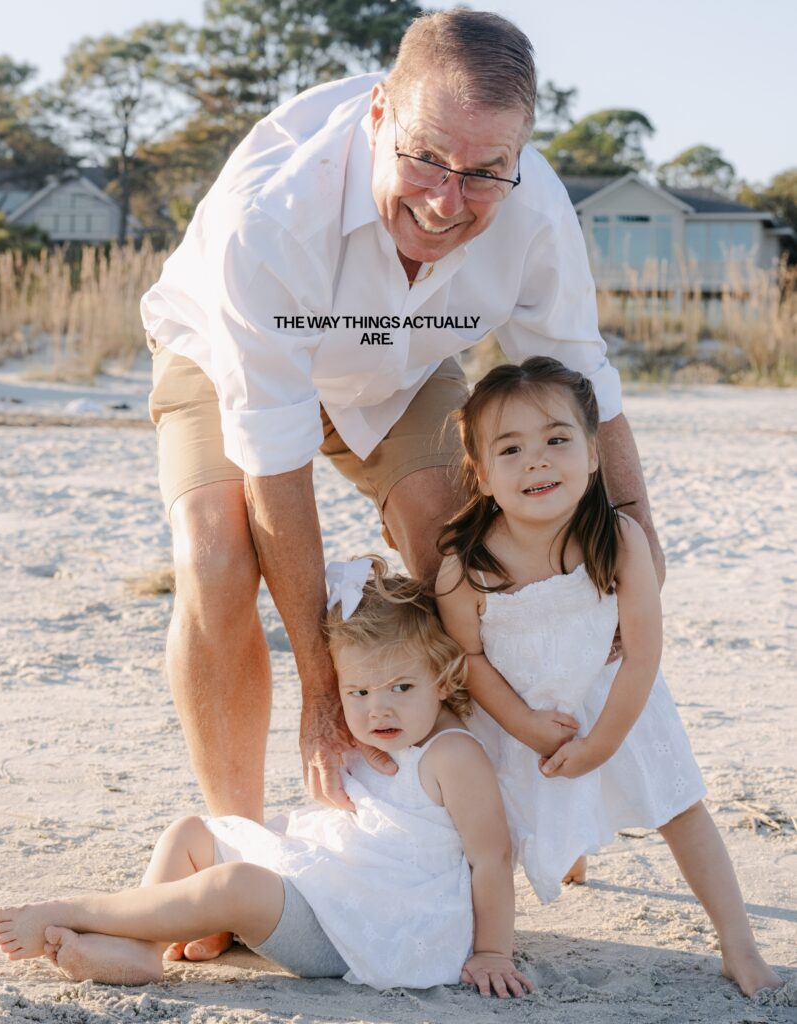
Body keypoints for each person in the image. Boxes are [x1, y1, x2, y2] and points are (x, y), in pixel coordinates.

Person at [140, 10, 661, 958]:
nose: (447, 200)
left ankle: (495, 814)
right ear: (379, 113)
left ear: (520, 153)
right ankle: (241, 852)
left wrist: (635, 544)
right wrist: (319, 691)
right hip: (229, 358)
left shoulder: (534, 208)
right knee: (217, 557)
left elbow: (584, 389)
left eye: (484, 172)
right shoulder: (275, 218)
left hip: (404, 367)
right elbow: (276, 477)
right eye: (425, 159)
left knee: (457, 549)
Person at [0, 559, 534, 998]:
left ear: (442, 678)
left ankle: (70, 911)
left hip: (370, 930)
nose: (377, 712)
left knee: (234, 884)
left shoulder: (452, 755)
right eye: (358, 692)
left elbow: (491, 857)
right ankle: (140, 951)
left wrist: (493, 952)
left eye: (400, 688)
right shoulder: (362, 734)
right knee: (191, 831)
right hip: (329, 886)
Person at [434, 356, 781, 997]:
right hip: (513, 713)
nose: (537, 461)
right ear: (481, 476)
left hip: (616, 699)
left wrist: (602, 743)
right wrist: (529, 727)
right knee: (492, 828)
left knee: (679, 804)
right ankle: (495, 939)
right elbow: (471, 663)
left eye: (557, 440)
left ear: (594, 454)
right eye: (511, 449)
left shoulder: (620, 539)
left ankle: (738, 942)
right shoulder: (466, 565)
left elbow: (645, 653)